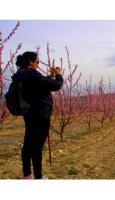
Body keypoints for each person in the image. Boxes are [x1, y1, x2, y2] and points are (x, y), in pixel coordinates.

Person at [12, 51, 63, 179]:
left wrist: (49, 76)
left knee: (28, 144)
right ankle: (38, 177)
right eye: (38, 61)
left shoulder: (21, 75)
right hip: (41, 116)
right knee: (37, 147)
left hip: (29, 114)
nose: (38, 63)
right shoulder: (33, 75)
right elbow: (56, 86)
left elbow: (41, 85)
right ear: (31, 61)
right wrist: (58, 75)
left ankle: (27, 175)